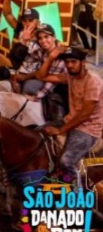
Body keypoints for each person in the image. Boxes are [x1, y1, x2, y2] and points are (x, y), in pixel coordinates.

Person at [41, 47, 103, 185]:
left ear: (83, 62)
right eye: (67, 62)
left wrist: (60, 130)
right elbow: (42, 76)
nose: (69, 65)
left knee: (66, 162)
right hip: (69, 120)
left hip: (88, 129)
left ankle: (77, 197)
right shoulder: (70, 76)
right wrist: (50, 58)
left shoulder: (93, 81)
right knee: (37, 132)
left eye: (73, 62)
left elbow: (85, 115)